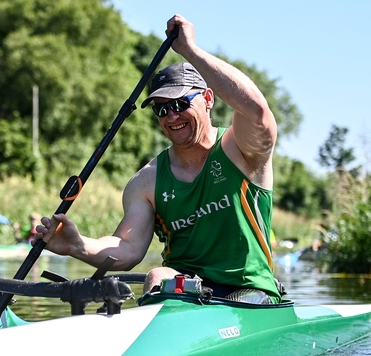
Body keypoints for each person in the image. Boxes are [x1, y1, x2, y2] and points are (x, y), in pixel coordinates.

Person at [31, 14, 283, 303]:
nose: (171, 116)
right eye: (161, 109)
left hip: (249, 290)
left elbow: (257, 110)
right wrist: (78, 245)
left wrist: (190, 51)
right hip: (190, 287)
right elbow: (127, 248)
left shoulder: (241, 148)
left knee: (240, 299)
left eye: (179, 103)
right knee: (157, 276)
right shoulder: (146, 181)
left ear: (209, 100)